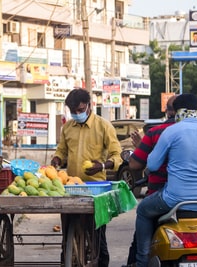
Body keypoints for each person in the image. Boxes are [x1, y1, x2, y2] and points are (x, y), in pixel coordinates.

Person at [51, 88, 122, 267]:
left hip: (96, 190)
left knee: (98, 238)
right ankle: (67, 260)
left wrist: (103, 165)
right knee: (67, 235)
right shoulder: (67, 127)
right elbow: (61, 151)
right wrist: (57, 159)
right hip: (70, 188)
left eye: (80, 110)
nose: (77, 114)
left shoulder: (104, 126)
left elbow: (117, 156)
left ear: (89, 106)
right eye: (73, 111)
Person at [135, 93, 197, 267]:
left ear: (177, 112)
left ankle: (142, 261)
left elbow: (152, 165)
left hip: (173, 199)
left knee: (143, 211)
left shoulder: (172, 131)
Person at [122, 95, 177, 267]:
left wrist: (142, 149)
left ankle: (141, 262)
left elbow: (139, 163)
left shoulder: (158, 132)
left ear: (168, 111)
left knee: (143, 213)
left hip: (163, 194)